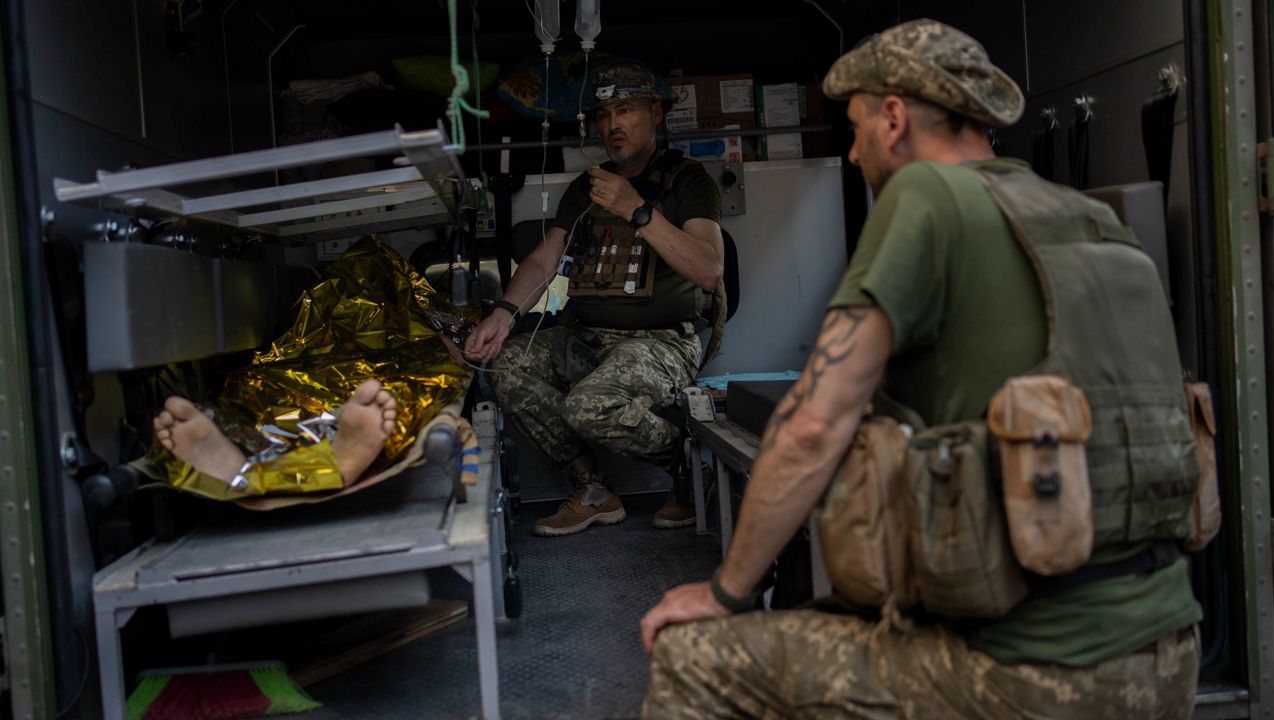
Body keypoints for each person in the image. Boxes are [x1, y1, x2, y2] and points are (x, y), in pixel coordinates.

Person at [638, 19, 1202, 719]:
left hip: (1035, 668)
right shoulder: (1091, 219)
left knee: (695, 659)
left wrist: (722, 593)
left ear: (895, 118)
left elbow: (816, 424)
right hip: (1171, 653)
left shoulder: (926, 195)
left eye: (855, 128)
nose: (851, 155)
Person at [465, 64, 725, 537]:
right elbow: (545, 261)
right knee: (503, 365)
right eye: (603, 116)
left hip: (660, 342)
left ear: (655, 113)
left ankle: (690, 467)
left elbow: (708, 270)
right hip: (586, 337)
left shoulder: (687, 181)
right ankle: (592, 490)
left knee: (587, 406)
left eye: (625, 110)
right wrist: (503, 316)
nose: (612, 126)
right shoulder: (587, 188)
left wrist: (635, 209)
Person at [149, 237, 472, 500]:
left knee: (382, 394)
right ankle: (314, 460)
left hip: (353, 359)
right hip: (320, 352)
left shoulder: (438, 309)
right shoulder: (382, 280)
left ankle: (246, 460)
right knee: (397, 390)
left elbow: (449, 348)